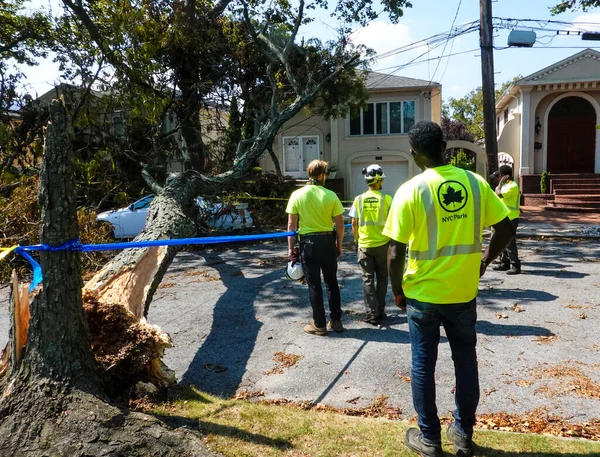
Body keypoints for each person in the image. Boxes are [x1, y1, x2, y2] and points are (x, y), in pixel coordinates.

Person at [383, 121, 515, 457]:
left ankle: (429, 439)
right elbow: (505, 226)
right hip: (462, 292)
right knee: (465, 361)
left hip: (423, 296)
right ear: (445, 146)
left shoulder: (410, 191)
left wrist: (397, 290)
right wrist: (485, 259)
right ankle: (462, 433)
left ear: (414, 154)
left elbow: (395, 250)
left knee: (423, 365)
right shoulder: (474, 183)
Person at [286, 159, 345, 336]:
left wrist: (291, 249)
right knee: (332, 282)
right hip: (327, 242)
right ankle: (336, 321)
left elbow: (291, 224)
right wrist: (339, 244)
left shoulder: (297, 194)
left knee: (314, 285)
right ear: (322, 175)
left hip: (308, 244)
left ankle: (319, 324)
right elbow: (340, 225)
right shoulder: (330, 195)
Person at [348, 164, 392, 325]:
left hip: (365, 245)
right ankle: (380, 311)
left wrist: (356, 240)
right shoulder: (387, 199)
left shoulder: (358, 199)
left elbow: (354, 222)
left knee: (367, 280)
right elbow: (393, 222)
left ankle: (371, 314)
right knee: (382, 279)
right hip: (383, 245)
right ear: (379, 180)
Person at [490, 165, 521, 275]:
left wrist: (499, 185)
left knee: (510, 243)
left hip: (511, 217)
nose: (500, 178)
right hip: (503, 217)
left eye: (501, 175)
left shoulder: (512, 186)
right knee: (501, 241)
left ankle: (516, 265)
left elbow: (498, 193)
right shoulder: (506, 185)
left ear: (506, 176)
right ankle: (505, 262)